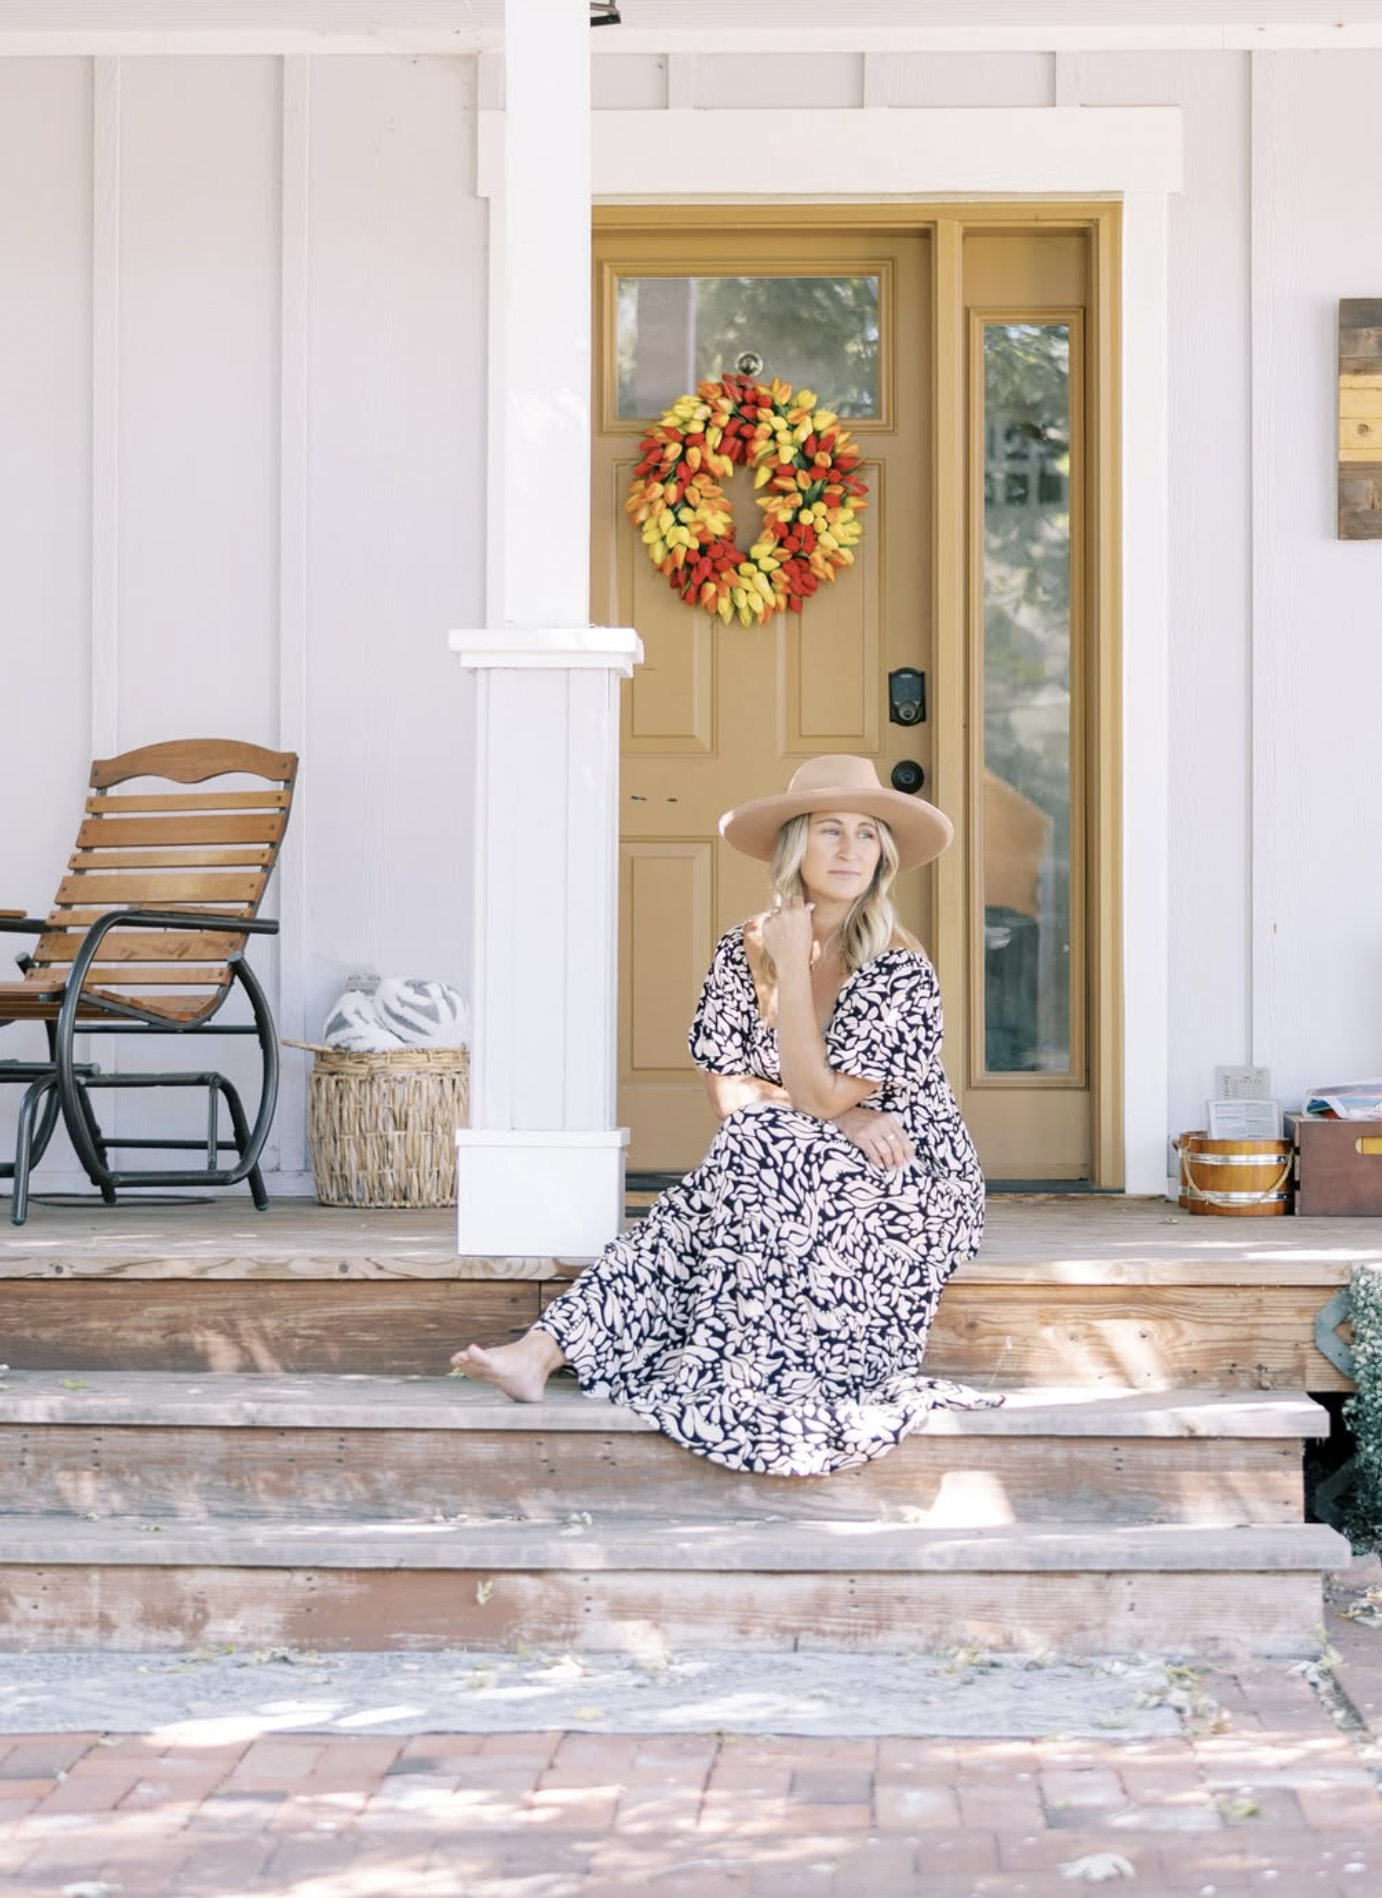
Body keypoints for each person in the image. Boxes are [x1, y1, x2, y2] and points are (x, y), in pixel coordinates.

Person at [450, 754, 996, 1475]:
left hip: (908, 1176)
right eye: (830, 830)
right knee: (746, 1153)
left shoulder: (899, 964)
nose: (850, 850)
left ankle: (569, 1352)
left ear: (883, 856)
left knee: (745, 1158)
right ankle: (539, 1354)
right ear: (794, 846)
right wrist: (836, 1117)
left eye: (867, 834)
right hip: (785, 1159)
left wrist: (795, 984)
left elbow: (818, 1095)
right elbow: (729, 1093)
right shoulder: (741, 948)